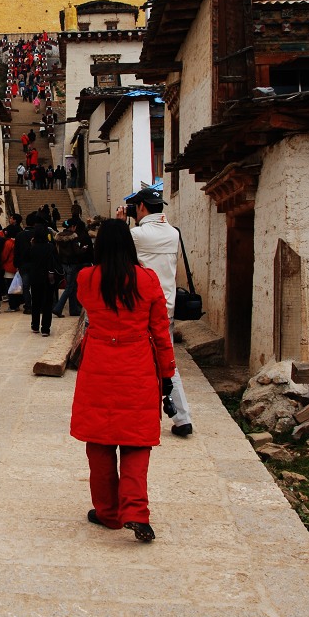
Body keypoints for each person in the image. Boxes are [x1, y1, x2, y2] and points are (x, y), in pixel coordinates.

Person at [71, 219, 176, 541]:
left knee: (100, 442)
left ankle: (108, 512)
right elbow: (160, 331)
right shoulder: (147, 279)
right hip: (138, 366)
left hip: (98, 364)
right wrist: (167, 373)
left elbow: (88, 307)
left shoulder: (87, 278)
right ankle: (136, 511)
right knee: (136, 442)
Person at [117, 187, 194, 438]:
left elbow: (118, 257)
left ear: (141, 208)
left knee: (131, 362)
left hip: (139, 308)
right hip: (166, 307)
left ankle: (131, 415)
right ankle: (182, 418)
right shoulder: (174, 234)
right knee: (167, 362)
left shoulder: (136, 235)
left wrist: (120, 225)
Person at [26, 223, 60, 336]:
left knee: (35, 301)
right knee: (47, 303)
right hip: (48, 277)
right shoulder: (50, 246)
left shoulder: (32, 248)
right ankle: (45, 328)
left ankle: (35, 325)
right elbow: (56, 260)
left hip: (35, 277)